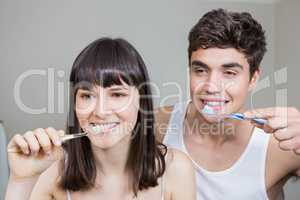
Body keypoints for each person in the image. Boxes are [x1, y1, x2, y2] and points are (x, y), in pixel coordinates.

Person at [5, 38, 196, 200]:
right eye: (87, 96)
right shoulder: (51, 172)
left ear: (142, 101)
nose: (100, 111)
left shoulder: (176, 169)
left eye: (117, 94)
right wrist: (21, 181)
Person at [155, 9, 300, 200]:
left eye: (229, 73)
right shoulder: (157, 126)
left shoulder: (281, 146)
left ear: (253, 78)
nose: (212, 87)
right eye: (200, 70)